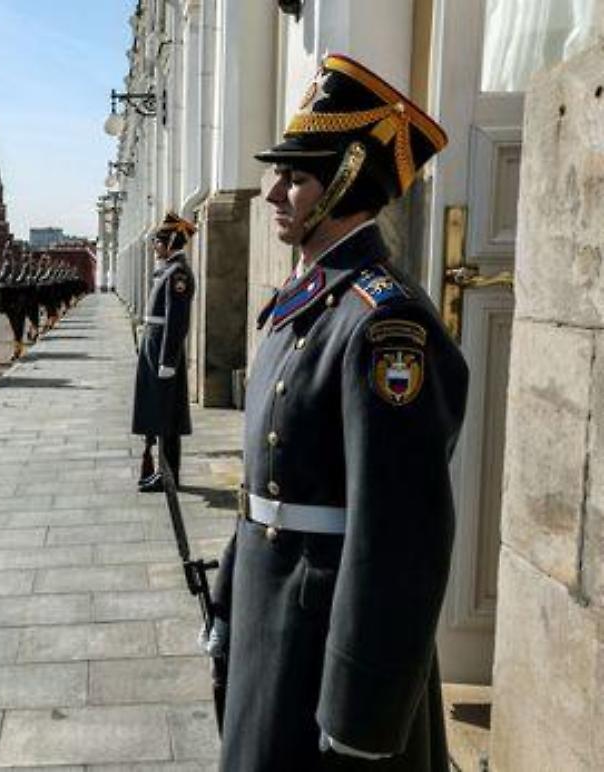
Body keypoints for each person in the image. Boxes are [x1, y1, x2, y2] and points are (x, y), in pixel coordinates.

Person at [207, 54, 469, 771]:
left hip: (322, 638)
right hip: (272, 609)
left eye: (295, 178)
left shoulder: (384, 324)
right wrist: (231, 595)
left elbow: (401, 538)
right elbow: (261, 487)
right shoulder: (307, 303)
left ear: (349, 183)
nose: (272, 192)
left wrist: (362, 712)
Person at [131, 211, 196, 492]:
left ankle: (169, 475)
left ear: (170, 242)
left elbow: (177, 321)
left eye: (158, 241)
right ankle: (162, 472)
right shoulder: (168, 270)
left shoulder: (177, 273)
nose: (155, 246)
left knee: (167, 416)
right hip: (154, 347)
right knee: (158, 412)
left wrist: (168, 361)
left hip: (162, 352)